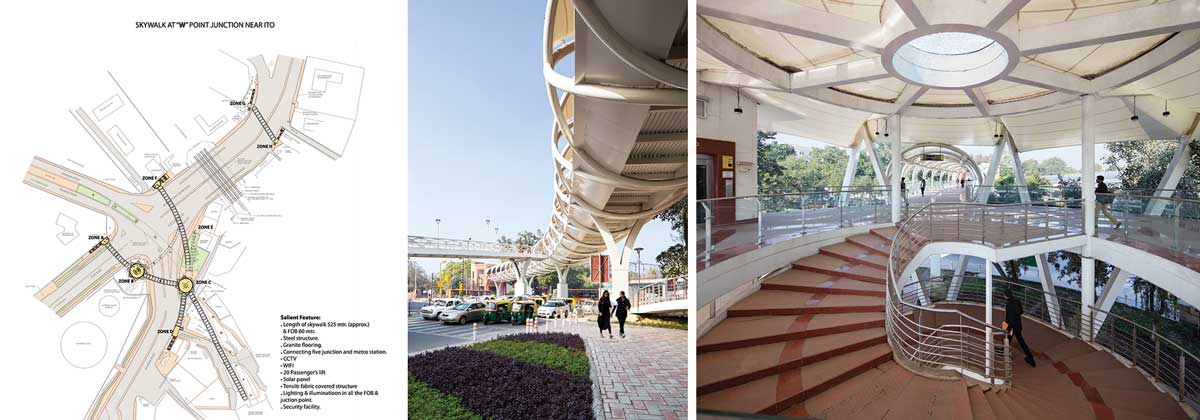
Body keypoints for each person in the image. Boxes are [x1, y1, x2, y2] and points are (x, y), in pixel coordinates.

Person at [1004, 289, 1036, 367]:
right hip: (1018, 325)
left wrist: (1007, 328)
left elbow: (1010, 319)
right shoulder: (1017, 301)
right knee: (1020, 341)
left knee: (1008, 338)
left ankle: (1003, 351)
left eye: (1004, 295)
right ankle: (1030, 358)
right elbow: (1021, 311)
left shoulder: (1009, 305)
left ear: (1006, 296)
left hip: (1012, 327)